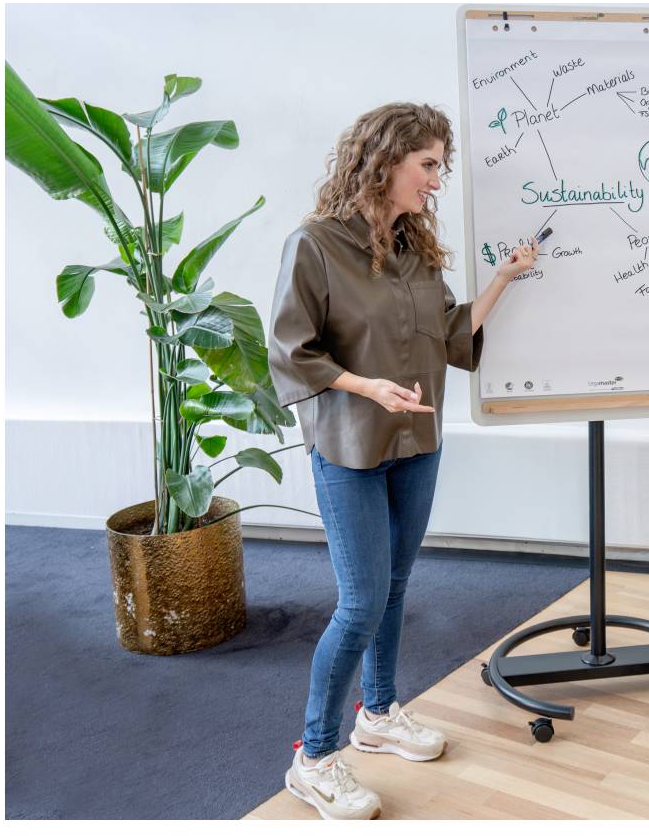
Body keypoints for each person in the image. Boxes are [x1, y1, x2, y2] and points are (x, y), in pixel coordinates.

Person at [267, 102, 539, 820]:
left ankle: (379, 712)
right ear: (385, 160)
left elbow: (450, 335)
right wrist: (363, 385)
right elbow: (292, 351)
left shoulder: (416, 248)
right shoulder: (315, 244)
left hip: (417, 444)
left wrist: (504, 278)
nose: (436, 180)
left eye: (440, 166)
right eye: (428, 165)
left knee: (392, 588)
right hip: (350, 449)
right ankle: (314, 756)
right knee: (359, 602)